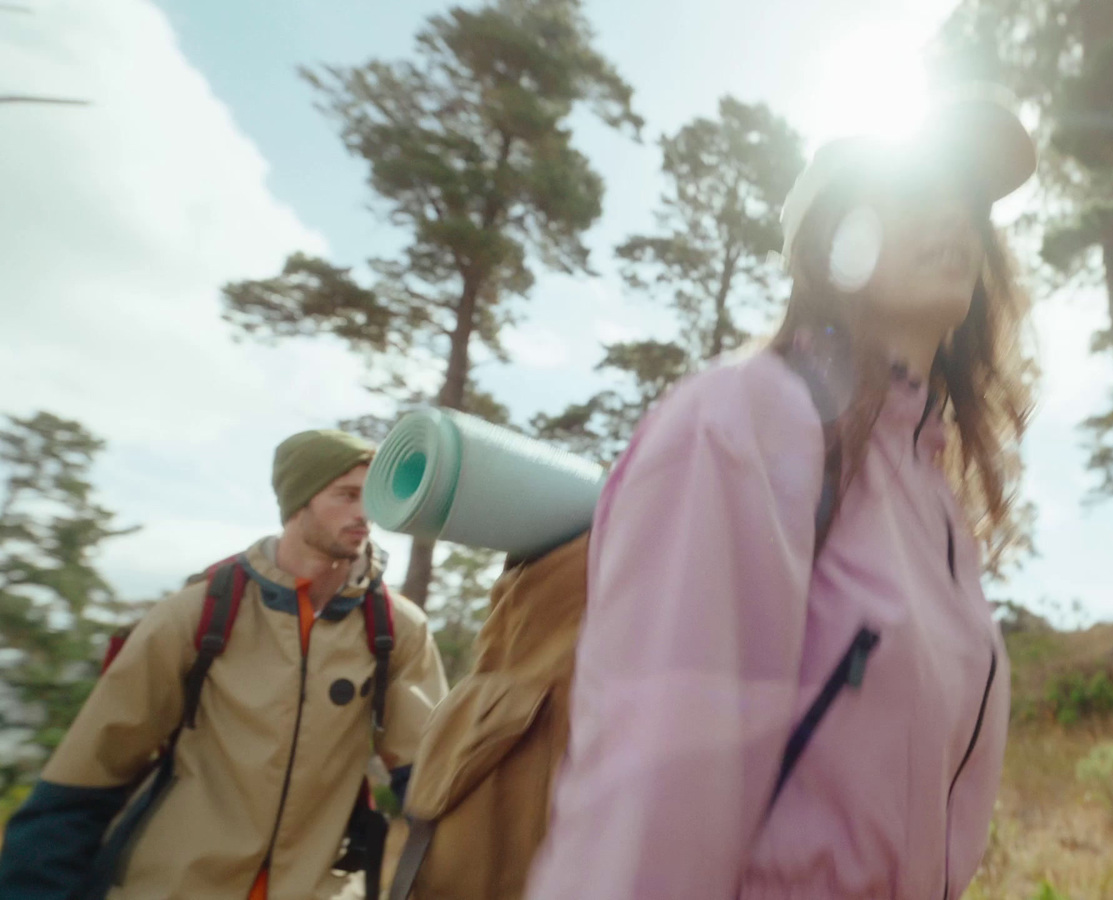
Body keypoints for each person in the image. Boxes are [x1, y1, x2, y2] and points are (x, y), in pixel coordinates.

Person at [524, 84, 1037, 900]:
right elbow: (650, 800)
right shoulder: (740, 424)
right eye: (914, 190)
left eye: (968, 201)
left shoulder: (932, 495)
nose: (954, 218)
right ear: (835, 242)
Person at [0, 429, 449, 900]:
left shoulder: (397, 627)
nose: (365, 512)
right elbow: (88, 775)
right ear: (298, 501)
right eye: (346, 495)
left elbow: (429, 777)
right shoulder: (198, 612)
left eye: (372, 496)